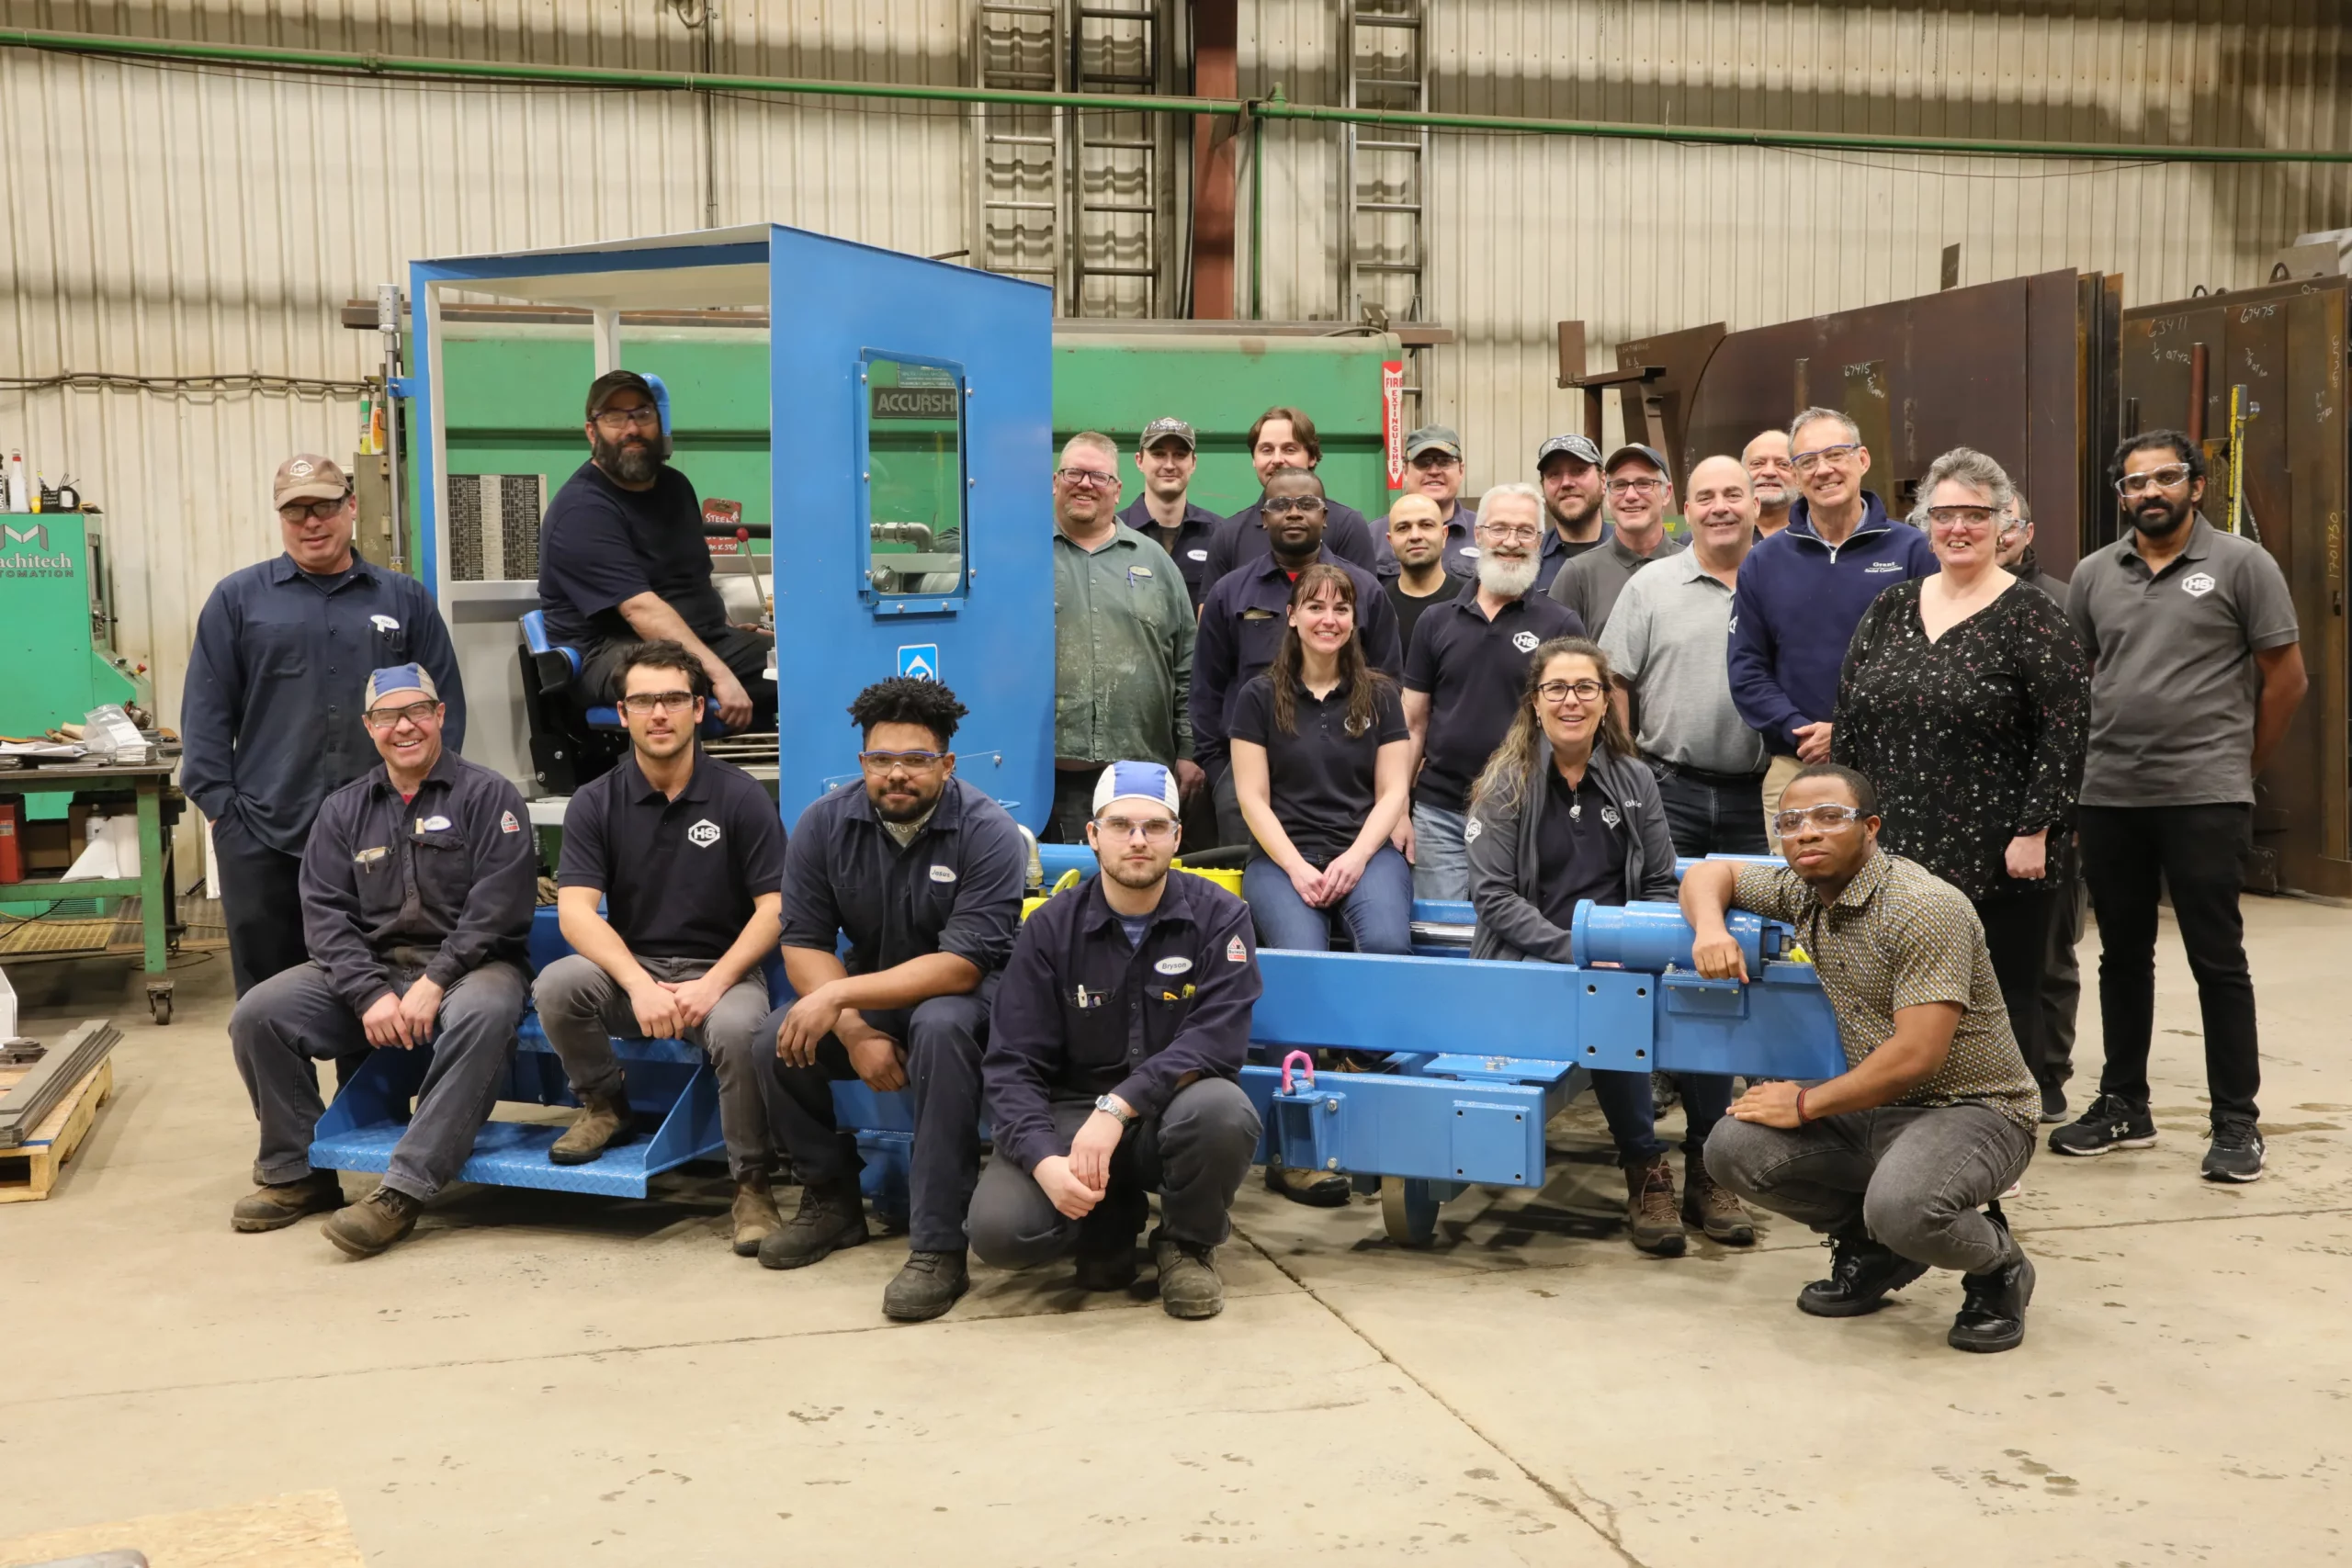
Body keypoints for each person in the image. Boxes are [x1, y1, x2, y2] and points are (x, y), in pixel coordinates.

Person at [1690, 763, 2043, 1354]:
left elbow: (1916, 1057)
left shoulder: (1924, 907)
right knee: (1732, 1148)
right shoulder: (1804, 890)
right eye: (1792, 822)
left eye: (1831, 817)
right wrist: (1709, 930)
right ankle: (1876, 1247)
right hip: (1878, 1107)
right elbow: (1711, 872)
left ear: (1871, 827)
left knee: (1905, 1207)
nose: (1808, 833)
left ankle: (1998, 1266)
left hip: (1977, 1110)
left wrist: (1803, 1103)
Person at [2050, 431, 2307, 1182]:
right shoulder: (2096, 574)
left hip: (2204, 794)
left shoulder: (2242, 564)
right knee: (2121, 954)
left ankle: (2236, 1122)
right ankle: (2124, 1103)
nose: (2150, 492)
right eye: (2135, 483)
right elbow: (2079, 679)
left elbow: (2285, 679)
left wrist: (2239, 763)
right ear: (2120, 495)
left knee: (2216, 959)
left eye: (2166, 477)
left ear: (2196, 485)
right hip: (2110, 793)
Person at [225, 665, 531, 1258]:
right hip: (375, 970)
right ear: (370, 728)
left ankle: (404, 1189)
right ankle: (296, 1174)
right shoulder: (343, 811)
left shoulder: (488, 795)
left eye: (417, 711)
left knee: (485, 1013)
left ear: (440, 715)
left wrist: (437, 979)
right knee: (260, 1013)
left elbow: (499, 906)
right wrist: (368, 992)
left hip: (475, 967)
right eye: (388, 716)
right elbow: (325, 915)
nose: (404, 726)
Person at [1831, 447, 2089, 1132]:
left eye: (1975, 514)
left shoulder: (2034, 615)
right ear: (1925, 523)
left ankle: (1999, 1135)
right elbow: (1850, 721)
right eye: (1944, 514)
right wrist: (1843, 824)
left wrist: (2036, 830)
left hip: (1998, 858)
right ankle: (1904, 1128)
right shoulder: (1888, 608)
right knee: (1897, 1001)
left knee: (2000, 1002)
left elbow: (2065, 734)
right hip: (1897, 855)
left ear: (2004, 523)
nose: (1958, 528)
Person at [1464, 637, 1750, 1253]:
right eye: (1557, 689)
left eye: (1586, 688)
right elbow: (1492, 898)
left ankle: (1710, 1162)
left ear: (1606, 700)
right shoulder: (1504, 783)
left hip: (1624, 948)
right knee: (1612, 997)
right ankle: (1644, 1168)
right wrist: (1581, 947)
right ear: (1534, 702)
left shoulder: (1634, 778)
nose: (1572, 701)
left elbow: (1656, 880)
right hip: (1536, 957)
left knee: (1705, 988)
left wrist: (1631, 939)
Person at [758, 678, 1027, 1322]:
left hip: (976, 1000)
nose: (897, 773)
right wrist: (852, 1030)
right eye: (881, 760)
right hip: (874, 992)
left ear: (948, 764)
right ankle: (831, 1200)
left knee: (939, 1025)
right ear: (862, 764)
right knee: (775, 1036)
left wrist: (843, 999)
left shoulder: (989, 831)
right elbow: (803, 944)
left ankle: (939, 1245)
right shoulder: (825, 823)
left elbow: (961, 966)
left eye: (916, 759)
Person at [972, 762, 1265, 1319]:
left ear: (1178, 838)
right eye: (1120, 824)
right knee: (1000, 1235)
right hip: (1071, 1120)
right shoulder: (1049, 929)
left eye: (1155, 827)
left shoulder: (1222, 918)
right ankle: (1106, 1216)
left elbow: (1216, 1040)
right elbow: (1011, 1065)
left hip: (1167, 1115)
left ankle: (1186, 1245)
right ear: (1092, 836)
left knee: (1223, 1109)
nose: (1137, 840)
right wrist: (1041, 1163)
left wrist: (1118, 1106)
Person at [531, 640, 789, 1254]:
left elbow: (776, 907)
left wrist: (715, 982)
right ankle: (604, 1103)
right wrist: (640, 984)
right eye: (643, 700)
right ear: (622, 714)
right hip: (636, 973)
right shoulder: (597, 801)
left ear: (699, 709)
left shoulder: (740, 796)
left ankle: (752, 1183)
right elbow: (574, 912)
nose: (659, 713)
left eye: (674, 698)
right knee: (558, 984)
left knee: (737, 1030)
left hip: (722, 974)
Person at [183, 454, 465, 997]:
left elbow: (443, 705)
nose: (312, 522)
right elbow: (206, 712)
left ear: (351, 507)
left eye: (325, 507)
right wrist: (223, 811)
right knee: (270, 1000)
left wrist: (428, 803)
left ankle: (367, 1086)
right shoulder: (239, 601)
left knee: (378, 989)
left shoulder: (403, 600)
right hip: (266, 834)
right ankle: (284, 1088)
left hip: (383, 834)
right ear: (280, 518)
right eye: (296, 511)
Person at [1728, 407, 1937, 849]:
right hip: (1797, 764)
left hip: (1890, 765)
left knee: (1889, 901)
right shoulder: (1764, 562)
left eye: (1835, 454)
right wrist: (1800, 730)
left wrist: (1847, 731)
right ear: (1797, 477)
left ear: (1862, 460)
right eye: (1806, 461)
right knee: (1797, 903)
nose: (1823, 470)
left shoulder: (1913, 550)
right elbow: (1747, 670)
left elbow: (1930, 662)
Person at [536, 370, 773, 731]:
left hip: (693, 643)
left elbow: (692, 582)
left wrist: (726, 632)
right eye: (614, 417)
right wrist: (720, 672)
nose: (631, 428)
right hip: (613, 652)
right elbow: (639, 609)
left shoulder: (675, 487)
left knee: (799, 661)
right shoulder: (582, 509)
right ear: (592, 432)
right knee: (666, 679)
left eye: (642, 414)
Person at [1193, 466, 1402, 847]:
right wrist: (1217, 765)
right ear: (1263, 518)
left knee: (1342, 884)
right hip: (1245, 778)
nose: (1293, 512)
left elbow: (1389, 683)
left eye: (1307, 503)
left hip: (1346, 783)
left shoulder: (1365, 591)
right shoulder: (1230, 593)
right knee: (1248, 894)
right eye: (1280, 504)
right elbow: (1206, 685)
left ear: (1325, 517)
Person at [1402, 486, 1587, 900]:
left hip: (1527, 813)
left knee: (1517, 937)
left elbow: (1579, 730)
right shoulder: (1434, 622)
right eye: (1499, 528)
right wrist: (1399, 810)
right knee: (1442, 940)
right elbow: (1412, 724)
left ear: (1539, 542)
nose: (1511, 541)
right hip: (1439, 815)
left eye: (1525, 531)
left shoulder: (1561, 625)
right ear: (1479, 534)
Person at [1230, 564, 1414, 955]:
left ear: (1354, 620)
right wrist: (1296, 868)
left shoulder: (1382, 696)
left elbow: (1394, 790)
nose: (1329, 620)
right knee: (1303, 955)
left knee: (1387, 945)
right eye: (1316, 607)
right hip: (1281, 858)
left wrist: (1356, 858)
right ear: (1293, 616)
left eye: (1342, 609)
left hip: (1366, 853)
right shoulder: (1257, 696)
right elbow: (1251, 798)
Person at [1600, 456, 1769, 856]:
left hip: (1762, 797)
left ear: (1755, 505)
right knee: (1662, 907)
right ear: (1688, 513)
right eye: (1706, 498)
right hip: (1667, 792)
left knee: (1761, 914)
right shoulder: (1650, 585)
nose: (1720, 507)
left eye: (1733, 495)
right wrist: (1626, 767)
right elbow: (1612, 680)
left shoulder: (1781, 583)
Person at [1051, 431, 1202, 843]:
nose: (1085, 484)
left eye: (1098, 477)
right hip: (1043, 781)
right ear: (1054, 482)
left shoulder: (1156, 562)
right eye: (1073, 473)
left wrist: (1188, 750)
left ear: (1117, 490)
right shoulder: (1022, 556)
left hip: (1140, 780)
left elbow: (1188, 663)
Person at [2000, 492, 2086, 1119]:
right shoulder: (1931, 599)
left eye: (2006, 521)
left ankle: (2048, 1072)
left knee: (2049, 952)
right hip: (1970, 805)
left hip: (2049, 805)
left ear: (2028, 531)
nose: (1994, 532)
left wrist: (2061, 810)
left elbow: (2079, 713)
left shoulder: (2060, 599)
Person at [1201, 407, 1380, 581]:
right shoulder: (1228, 534)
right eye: (1266, 450)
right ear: (1254, 460)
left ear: (1312, 457)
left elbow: (1365, 604)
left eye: (1289, 449)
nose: (1277, 460)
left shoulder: (1348, 526)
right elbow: (1212, 609)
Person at [1546, 444, 1686, 640]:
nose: (1630, 496)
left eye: (1644, 483)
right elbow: (1554, 659)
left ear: (1667, 493)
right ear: (1607, 496)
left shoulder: (1691, 565)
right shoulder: (1578, 574)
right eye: (1619, 485)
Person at [1116, 416, 1226, 612]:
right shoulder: (1114, 532)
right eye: (1158, 454)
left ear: (1193, 462)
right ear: (1139, 461)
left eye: (1180, 455)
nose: (1169, 465)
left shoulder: (1221, 535)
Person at [1373, 425, 1478, 580]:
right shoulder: (1373, 537)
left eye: (1445, 462)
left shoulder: (1485, 534)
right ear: (1406, 471)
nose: (1434, 471)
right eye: (1423, 462)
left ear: (1461, 470)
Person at [1533, 432, 1611, 591]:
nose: (1566, 483)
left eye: (1579, 470)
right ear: (1543, 487)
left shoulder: (1632, 553)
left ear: (1603, 481)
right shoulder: (1529, 562)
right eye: (1554, 474)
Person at [1378, 494, 1453, 651]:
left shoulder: (1470, 602)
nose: (1415, 536)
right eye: (1403, 528)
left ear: (1444, 535)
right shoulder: (1378, 607)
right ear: (1390, 542)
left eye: (1426, 525)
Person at [1743, 429, 1796, 538]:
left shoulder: (1820, 533)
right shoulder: (1722, 533)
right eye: (1757, 464)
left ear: (1798, 475)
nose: (1769, 472)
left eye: (1783, 464)